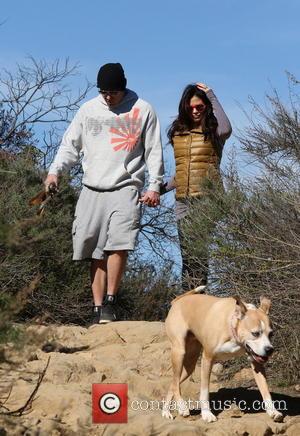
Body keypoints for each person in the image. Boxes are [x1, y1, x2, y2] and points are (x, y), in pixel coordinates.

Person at [45, 63, 163, 324]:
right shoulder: (88, 110)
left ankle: (111, 301)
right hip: (92, 187)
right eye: (104, 92)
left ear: (123, 87)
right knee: (94, 249)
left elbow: (154, 151)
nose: (108, 97)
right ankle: (97, 308)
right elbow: (70, 146)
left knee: (119, 243)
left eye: (113, 92)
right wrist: (55, 172)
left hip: (126, 185)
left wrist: (154, 185)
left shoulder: (142, 109)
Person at [165, 82, 232, 289]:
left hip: (206, 201)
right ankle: (190, 300)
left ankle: (196, 300)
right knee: (187, 254)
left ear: (207, 107)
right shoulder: (178, 133)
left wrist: (211, 94)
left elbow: (227, 127)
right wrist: (158, 189)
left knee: (198, 252)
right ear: (185, 107)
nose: (195, 111)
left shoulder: (214, 131)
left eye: (200, 107)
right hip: (182, 202)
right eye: (191, 107)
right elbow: (182, 174)